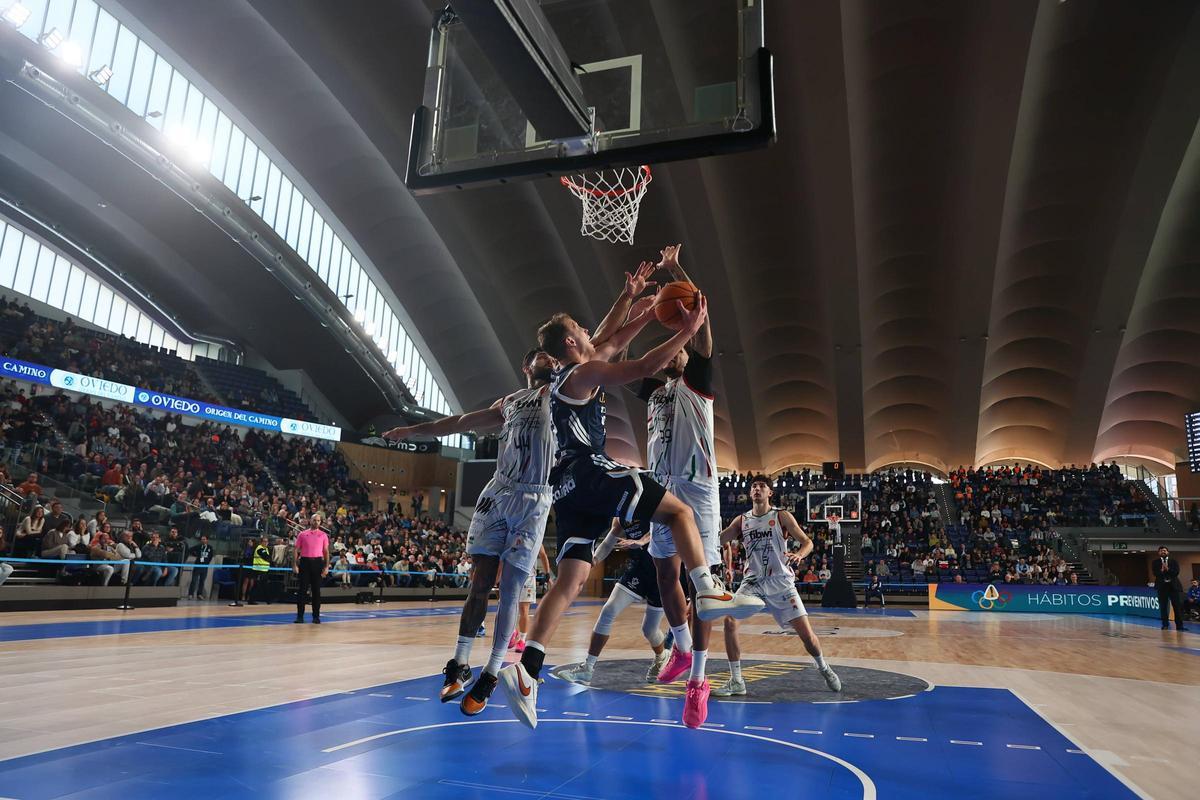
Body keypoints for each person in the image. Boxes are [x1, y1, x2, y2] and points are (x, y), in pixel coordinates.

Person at [499, 275, 759, 730]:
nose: (588, 330)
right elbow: (638, 362)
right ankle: (706, 598)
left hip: (568, 487)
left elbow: (615, 338)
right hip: (591, 469)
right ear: (571, 341)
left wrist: (635, 299)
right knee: (676, 515)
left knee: (572, 579)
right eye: (580, 328)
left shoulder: (582, 370)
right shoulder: (584, 372)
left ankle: (527, 668)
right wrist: (688, 323)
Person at [384, 348, 556, 716]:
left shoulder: (561, 393)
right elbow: (460, 422)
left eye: (555, 356)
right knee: (479, 583)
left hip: (534, 499)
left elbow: (599, 349)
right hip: (498, 493)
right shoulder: (509, 401)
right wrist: (413, 431)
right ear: (527, 365)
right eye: (543, 355)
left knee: (511, 591)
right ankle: (460, 663)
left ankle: (491, 673)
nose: (552, 360)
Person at [628, 244, 724, 717]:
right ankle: (681, 649)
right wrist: (637, 307)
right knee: (666, 574)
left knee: (700, 585)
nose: (678, 352)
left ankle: (699, 680)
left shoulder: (698, 381)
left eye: (682, 349)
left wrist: (674, 272)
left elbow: (701, 327)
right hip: (660, 487)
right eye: (673, 350)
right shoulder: (652, 388)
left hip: (698, 489)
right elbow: (626, 358)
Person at [712, 476, 841, 698]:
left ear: (769, 492)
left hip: (781, 582)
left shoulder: (781, 515)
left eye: (762, 486)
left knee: (807, 637)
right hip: (753, 582)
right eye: (753, 486)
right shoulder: (741, 521)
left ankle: (823, 667)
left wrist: (799, 554)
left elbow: (807, 542)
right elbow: (717, 541)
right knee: (730, 621)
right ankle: (736, 681)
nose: (757, 489)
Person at [557, 519, 671, 685]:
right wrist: (593, 560)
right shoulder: (620, 512)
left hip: (662, 569)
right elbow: (610, 539)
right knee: (609, 610)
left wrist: (643, 540)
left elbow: (665, 525)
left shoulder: (653, 497)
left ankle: (662, 656)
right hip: (638, 570)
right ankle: (587, 668)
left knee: (649, 630)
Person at [506, 545, 552, 653]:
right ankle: (512, 631)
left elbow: (543, 555)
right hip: (511, 575)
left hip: (528, 577)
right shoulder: (514, 534)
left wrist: (547, 574)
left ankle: (522, 640)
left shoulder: (537, 538)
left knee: (523, 609)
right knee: (508, 608)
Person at [293, 513, 330, 623]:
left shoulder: (323, 535)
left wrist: (326, 567)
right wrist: (294, 565)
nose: (316, 522)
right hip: (304, 563)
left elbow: (326, 551)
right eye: (314, 520)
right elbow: (295, 550)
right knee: (302, 591)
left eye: (318, 521)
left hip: (317, 563)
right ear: (310, 521)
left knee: (316, 592)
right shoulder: (302, 534)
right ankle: (300, 616)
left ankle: (316, 616)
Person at [1150, 546, 1187, 631]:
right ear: (1158, 553)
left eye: (1164, 550)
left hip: (1173, 587)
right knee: (1163, 607)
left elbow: (1176, 572)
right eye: (1161, 551)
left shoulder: (1173, 561)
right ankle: (1165, 625)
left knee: (1177, 607)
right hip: (1162, 587)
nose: (1163, 552)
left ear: (1168, 552)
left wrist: (1168, 569)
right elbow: (1155, 573)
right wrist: (1162, 571)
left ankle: (1179, 626)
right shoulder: (1155, 562)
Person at [244, 536, 271, 604]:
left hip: (264, 570)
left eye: (267, 541)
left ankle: (267, 600)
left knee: (263, 585)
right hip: (258, 570)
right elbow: (266, 557)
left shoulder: (266, 549)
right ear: (261, 542)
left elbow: (268, 558)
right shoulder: (260, 548)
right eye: (264, 541)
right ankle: (251, 600)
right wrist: (269, 558)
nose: (266, 543)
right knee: (256, 586)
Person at [187, 534, 215, 599]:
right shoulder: (198, 546)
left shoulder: (210, 547)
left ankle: (199, 594)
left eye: (204, 539)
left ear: (207, 540)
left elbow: (210, 556)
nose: (203, 540)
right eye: (202, 539)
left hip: (205, 567)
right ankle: (190, 594)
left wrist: (207, 563)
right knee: (194, 580)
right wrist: (195, 554)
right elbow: (190, 550)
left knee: (202, 581)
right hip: (197, 566)